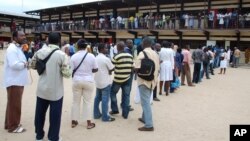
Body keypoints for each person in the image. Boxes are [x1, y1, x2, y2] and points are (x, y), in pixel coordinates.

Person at [31, 32, 71, 141]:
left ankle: (39, 135)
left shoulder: (39, 52)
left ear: (48, 40)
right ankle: (53, 137)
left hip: (41, 89)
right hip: (56, 91)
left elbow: (32, 65)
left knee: (39, 114)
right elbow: (67, 74)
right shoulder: (62, 55)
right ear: (59, 41)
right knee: (55, 116)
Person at [3, 31, 29, 133]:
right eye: (21, 35)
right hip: (14, 81)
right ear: (14, 37)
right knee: (15, 104)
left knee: (12, 103)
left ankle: (8, 123)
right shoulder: (12, 49)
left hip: (17, 80)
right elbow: (14, 64)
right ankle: (13, 126)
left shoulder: (17, 48)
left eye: (24, 35)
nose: (24, 37)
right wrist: (25, 64)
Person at [70, 39, 98, 129]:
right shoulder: (92, 56)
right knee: (88, 102)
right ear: (86, 47)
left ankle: (74, 121)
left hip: (77, 80)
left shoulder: (73, 56)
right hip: (88, 80)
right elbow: (95, 69)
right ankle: (89, 123)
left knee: (75, 102)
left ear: (77, 47)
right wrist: (89, 70)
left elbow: (71, 70)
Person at [134, 37, 160, 131]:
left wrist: (136, 71)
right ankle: (144, 118)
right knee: (147, 100)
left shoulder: (142, 53)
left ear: (143, 43)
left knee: (145, 103)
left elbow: (136, 68)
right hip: (153, 80)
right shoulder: (155, 53)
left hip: (143, 80)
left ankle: (149, 125)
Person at [109, 41, 133, 119]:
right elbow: (132, 66)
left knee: (112, 93)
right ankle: (125, 114)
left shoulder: (117, 56)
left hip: (118, 79)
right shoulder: (130, 56)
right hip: (127, 79)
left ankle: (115, 110)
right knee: (126, 96)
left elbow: (111, 66)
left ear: (118, 48)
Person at [94, 43, 115, 122]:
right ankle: (105, 117)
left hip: (98, 81)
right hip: (105, 82)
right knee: (105, 100)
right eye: (106, 48)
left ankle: (96, 114)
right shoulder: (106, 59)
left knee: (97, 98)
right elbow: (112, 68)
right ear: (102, 49)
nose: (107, 49)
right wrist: (109, 71)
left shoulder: (96, 57)